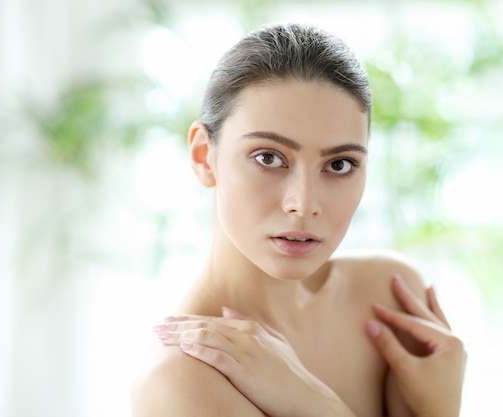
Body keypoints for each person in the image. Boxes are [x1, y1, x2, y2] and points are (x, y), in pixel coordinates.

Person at [131, 22, 466, 417]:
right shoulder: (184, 380)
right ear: (205, 156)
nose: (304, 204)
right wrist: (315, 404)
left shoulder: (389, 296)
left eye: (339, 164)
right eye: (269, 158)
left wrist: (439, 406)